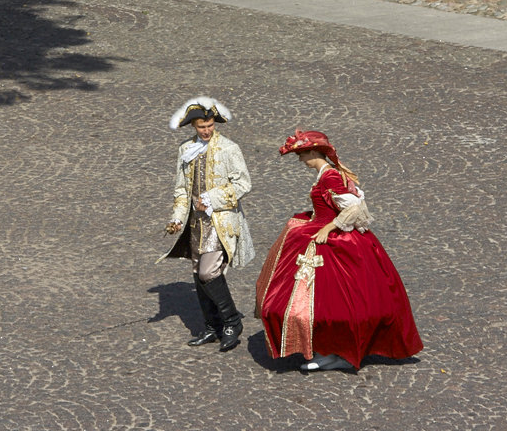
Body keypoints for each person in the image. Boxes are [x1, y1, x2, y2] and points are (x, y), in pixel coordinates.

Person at [255, 130, 423, 371]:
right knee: (326, 300)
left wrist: (329, 227)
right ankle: (329, 349)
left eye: (302, 155)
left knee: (331, 301)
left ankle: (334, 350)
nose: (301, 161)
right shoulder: (327, 175)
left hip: (334, 241)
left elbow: (355, 208)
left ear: (313, 152)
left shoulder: (330, 177)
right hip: (322, 231)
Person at [158, 96, 254, 352]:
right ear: (194, 126)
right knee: (197, 275)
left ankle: (232, 321)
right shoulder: (185, 150)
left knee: (208, 273)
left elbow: (244, 184)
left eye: (210, 125)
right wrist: (177, 218)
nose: (207, 130)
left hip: (220, 222)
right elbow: (181, 190)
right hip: (195, 224)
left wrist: (211, 198)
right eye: (202, 126)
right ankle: (213, 327)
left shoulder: (229, 149)